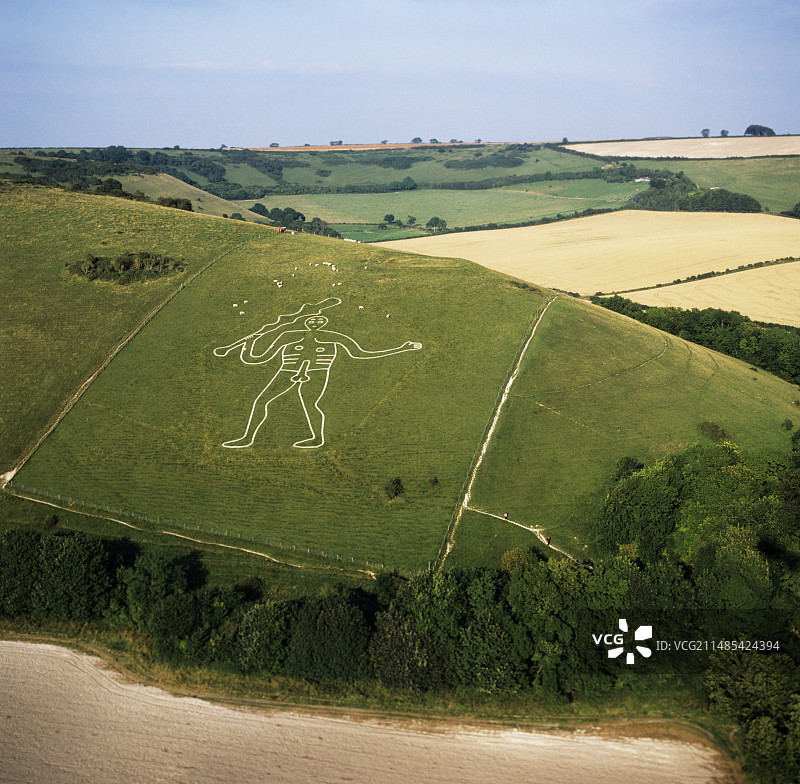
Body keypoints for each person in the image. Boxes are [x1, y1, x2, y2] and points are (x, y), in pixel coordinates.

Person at [216, 301, 421, 449]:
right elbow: (258, 359)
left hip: (316, 372)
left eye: (319, 319)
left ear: (323, 323)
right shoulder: (287, 336)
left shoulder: (333, 337)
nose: (315, 321)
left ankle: (315, 438)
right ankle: (247, 438)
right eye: (312, 319)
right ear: (307, 322)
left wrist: (401, 349)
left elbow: (361, 354)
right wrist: (245, 347)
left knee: (310, 405)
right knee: (261, 401)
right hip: (286, 371)